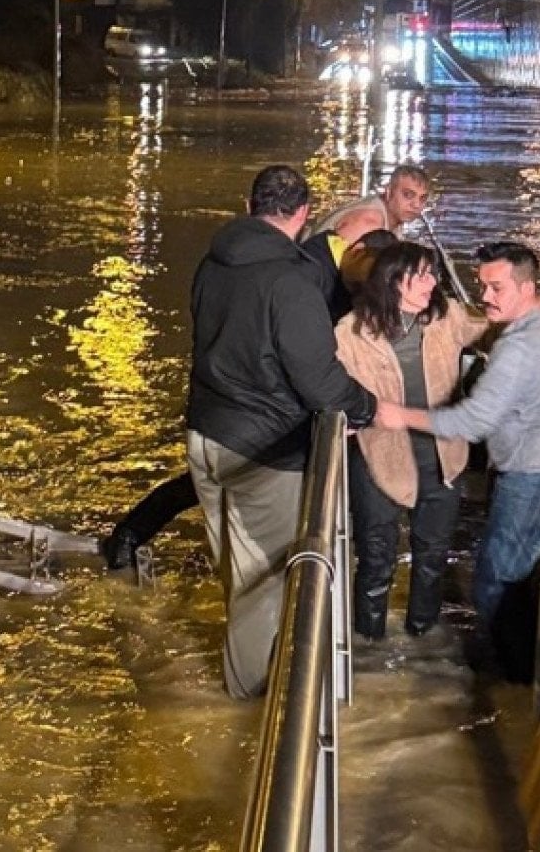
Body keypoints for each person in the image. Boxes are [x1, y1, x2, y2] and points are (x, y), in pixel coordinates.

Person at [99, 219, 392, 573]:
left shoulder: (332, 273)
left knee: (216, 482)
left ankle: (133, 534)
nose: (367, 287)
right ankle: (131, 534)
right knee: (216, 483)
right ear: (358, 250)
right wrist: (361, 405)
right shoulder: (308, 272)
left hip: (266, 408)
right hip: (265, 409)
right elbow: (304, 359)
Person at [187, 164, 377, 699]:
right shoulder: (292, 281)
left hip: (206, 436)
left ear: (248, 206)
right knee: (261, 586)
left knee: (234, 568)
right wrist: (365, 406)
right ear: (304, 215)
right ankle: (249, 704)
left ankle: (241, 675)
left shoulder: (212, 261)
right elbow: (320, 380)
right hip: (265, 451)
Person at [377, 241, 540, 655]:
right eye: (482, 286)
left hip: (534, 483)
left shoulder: (517, 348)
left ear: (527, 288)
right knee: (520, 576)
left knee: (494, 581)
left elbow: (471, 422)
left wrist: (399, 415)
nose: (485, 296)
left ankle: (504, 672)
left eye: (497, 288)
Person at [334, 242, 490, 640]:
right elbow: (329, 387)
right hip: (378, 461)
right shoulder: (350, 333)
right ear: (392, 279)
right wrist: (344, 416)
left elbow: (496, 327)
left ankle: (422, 631)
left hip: (443, 460)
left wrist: (538, 308)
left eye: (432, 273)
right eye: (420, 274)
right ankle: (368, 640)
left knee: (433, 557)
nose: (431, 282)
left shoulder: (447, 316)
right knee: (375, 559)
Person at [306, 165, 429, 239]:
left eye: (422, 198)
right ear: (388, 191)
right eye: (408, 195)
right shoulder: (368, 223)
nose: (416, 205)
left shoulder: (393, 217)